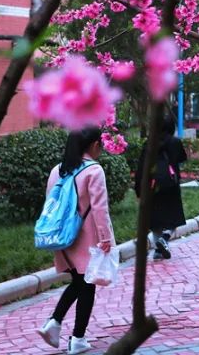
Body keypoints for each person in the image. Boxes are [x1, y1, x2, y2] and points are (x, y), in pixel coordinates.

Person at [36, 127, 114, 355]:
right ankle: (77, 337)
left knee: (78, 282)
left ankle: (55, 323)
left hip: (63, 236)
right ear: (93, 144)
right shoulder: (94, 171)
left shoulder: (57, 170)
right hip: (87, 236)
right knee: (87, 284)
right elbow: (100, 209)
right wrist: (106, 238)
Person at [134, 111, 187, 260]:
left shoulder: (148, 144)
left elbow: (141, 169)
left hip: (152, 187)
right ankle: (165, 238)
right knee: (173, 217)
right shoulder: (175, 142)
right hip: (171, 185)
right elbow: (183, 157)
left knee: (155, 219)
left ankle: (158, 250)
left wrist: (139, 190)